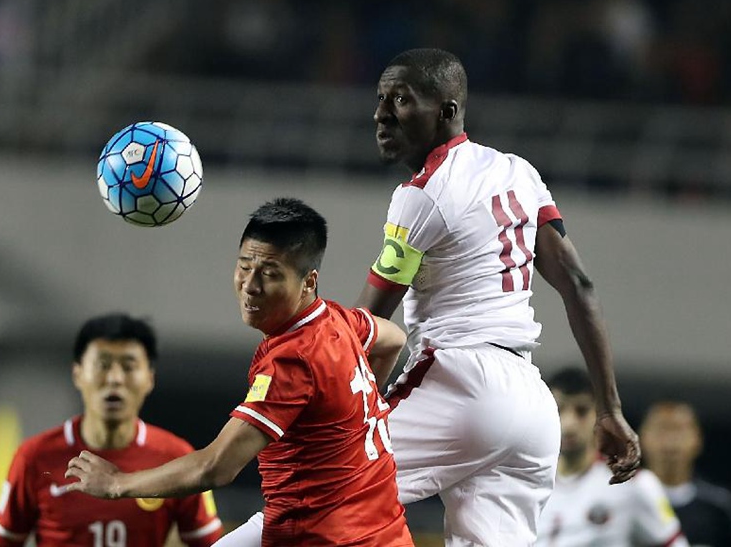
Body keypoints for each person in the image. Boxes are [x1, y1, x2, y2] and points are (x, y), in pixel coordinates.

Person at [213, 47, 641, 546]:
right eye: (380, 99)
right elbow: (579, 286)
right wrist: (610, 409)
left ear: (447, 110)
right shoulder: (519, 172)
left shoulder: (422, 194)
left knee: (314, 496)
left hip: (460, 385)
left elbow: (365, 323)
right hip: (531, 407)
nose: (381, 114)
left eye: (401, 99)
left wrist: (333, 410)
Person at [65, 198, 415, 546]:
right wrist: (350, 410)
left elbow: (216, 467)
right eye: (245, 266)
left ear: (309, 282)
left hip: (322, 536)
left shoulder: (292, 362)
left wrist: (117, 483)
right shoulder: (338, 320)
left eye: (270, 273)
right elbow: (394, 339)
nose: (250, 285)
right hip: (380, 529)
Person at [0, 313, 225, 547]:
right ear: (77, 374)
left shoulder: (176, 456)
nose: (114, 378)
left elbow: (210, 543)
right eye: (102, 365)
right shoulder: (34, 457)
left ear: (149, 378)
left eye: (129, 366)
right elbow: (4, 542)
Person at [536, 367, 688, 546]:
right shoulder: (528, 481)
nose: (569, 424)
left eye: (581, 411)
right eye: (559, 409)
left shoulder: (633, 484)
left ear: (600, 414)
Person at [640, 401, 731, 547]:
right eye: (662, 430)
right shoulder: (624, 499)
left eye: (679, 430)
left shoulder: (720, 507)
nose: (670, 442)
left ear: (697, 439)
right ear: (641, 437)